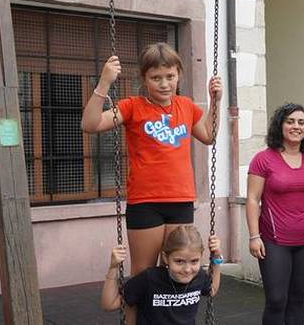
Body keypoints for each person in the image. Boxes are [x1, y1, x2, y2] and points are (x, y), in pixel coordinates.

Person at [81, 42, 222, 322]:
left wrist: (214, 100)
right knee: (141, 278)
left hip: (181, 200)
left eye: (170, 76)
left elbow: (208, 135)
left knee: (176, 273)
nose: (164, 84)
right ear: (144, 78)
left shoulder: (186, 106)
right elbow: (90, 124)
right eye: (156, 77)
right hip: (145, 202)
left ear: (179, 75)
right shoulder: (132, 107)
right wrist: (104, 83)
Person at [246, 103, 304, 325]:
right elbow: (253, 199)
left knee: (297, 300)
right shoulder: (263, 159)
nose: (296, 126)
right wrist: (254, 236)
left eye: (301, 122)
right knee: (277, 300)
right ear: (280, 125)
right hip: (274, 241)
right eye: (290, 121)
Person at [101, 225, 222, 324]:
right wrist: (113, 267)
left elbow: (212, 290)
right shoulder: (150, 279)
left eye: (194, 261)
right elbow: (109, 304)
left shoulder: (199, 277)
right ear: (165, 257)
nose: (187, 269)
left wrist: (216, 258)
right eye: (179, 261)